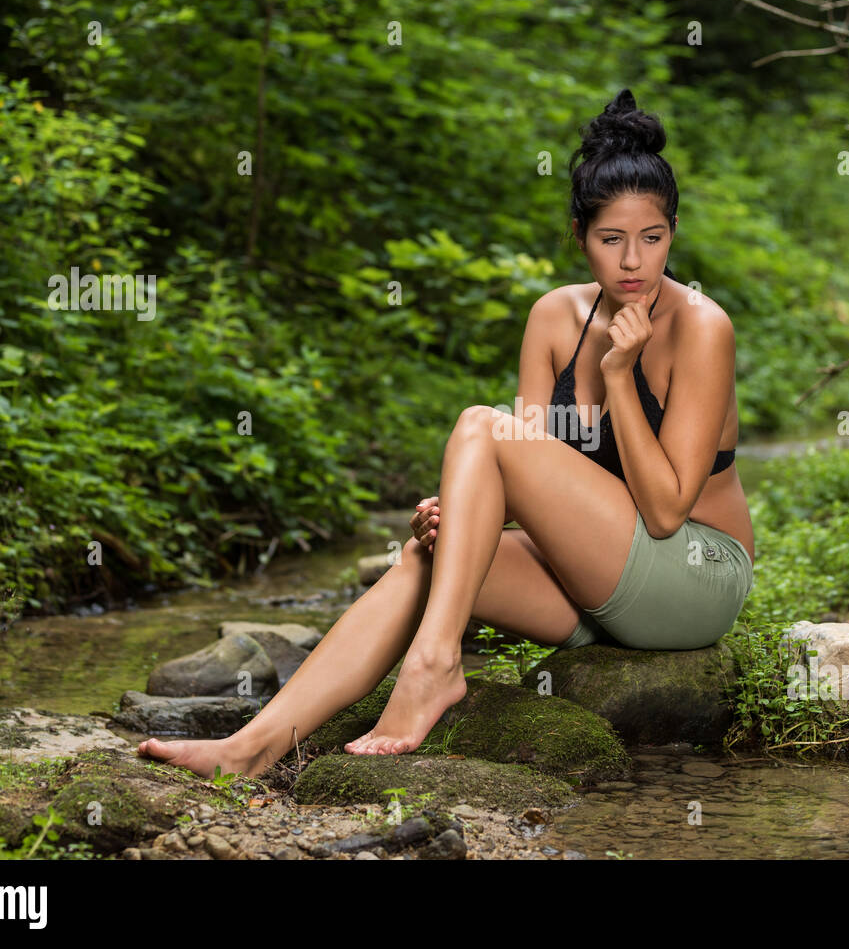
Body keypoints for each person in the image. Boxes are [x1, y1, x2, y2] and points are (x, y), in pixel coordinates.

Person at [137, 87, 755, 777]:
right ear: (578, 236)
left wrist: (619, 377)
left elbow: (667, 512)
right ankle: (249, 748)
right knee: (423, 555)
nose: (635, 263)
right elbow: (529, 478)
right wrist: (460, 518)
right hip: (595, 581)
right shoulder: (554, 318)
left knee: (479, 426)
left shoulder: (701, 327)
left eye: (654, 238)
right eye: (612, 240)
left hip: (695, 579)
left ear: (673, 233)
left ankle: (433, 664)